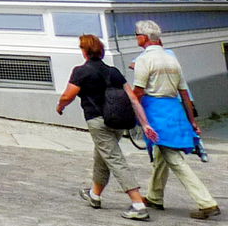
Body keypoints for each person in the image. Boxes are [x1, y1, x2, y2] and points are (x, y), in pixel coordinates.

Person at [57, 33, 150, 219]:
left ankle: (138, 204)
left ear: (84, 51)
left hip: (98, 121)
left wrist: (60, 106)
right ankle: (95, 195)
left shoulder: (81, 71)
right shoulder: (113, 71)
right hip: (118, 121)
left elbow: (68, 95)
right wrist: (145, 123)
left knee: (114, 159)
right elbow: (132, 97)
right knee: (102, 156)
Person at [131, 21, 218, 219]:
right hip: (174, 110)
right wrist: (192, 120)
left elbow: (138, 91)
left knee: (173, 158)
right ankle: (155, 196)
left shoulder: (144, 60)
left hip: (156, 112)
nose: (136, 37)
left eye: (137, 34)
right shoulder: (171, 59)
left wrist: (132, 110)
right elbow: (184, 93)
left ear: (143, 38)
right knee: (163, 154)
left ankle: (206, 201)